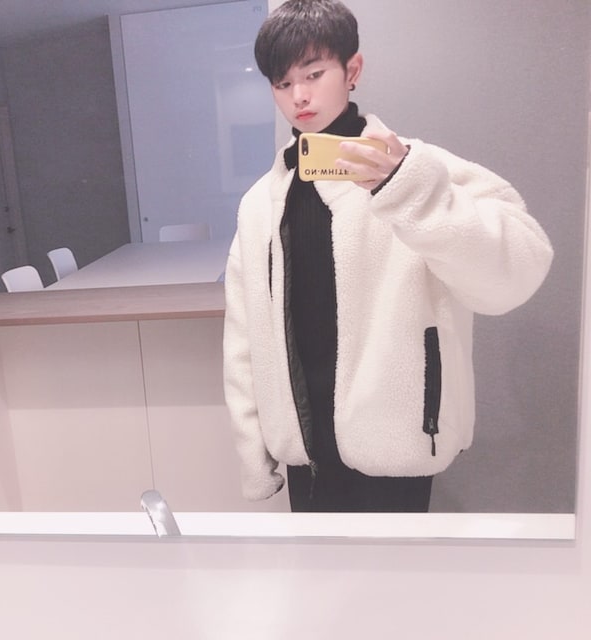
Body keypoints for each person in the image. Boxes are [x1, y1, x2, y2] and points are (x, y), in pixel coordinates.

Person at [222, 0, 553, 513]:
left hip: (398, 445)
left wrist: (410, 190)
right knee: (318, 566)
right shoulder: (260, 204)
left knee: (397, 567)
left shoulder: (421, 171)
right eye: (283, 83)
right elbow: (244, 335)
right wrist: (253, 452)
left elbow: (519, 271)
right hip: (306, 451)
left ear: (352, 70)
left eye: (314, 74)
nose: (299, 96)